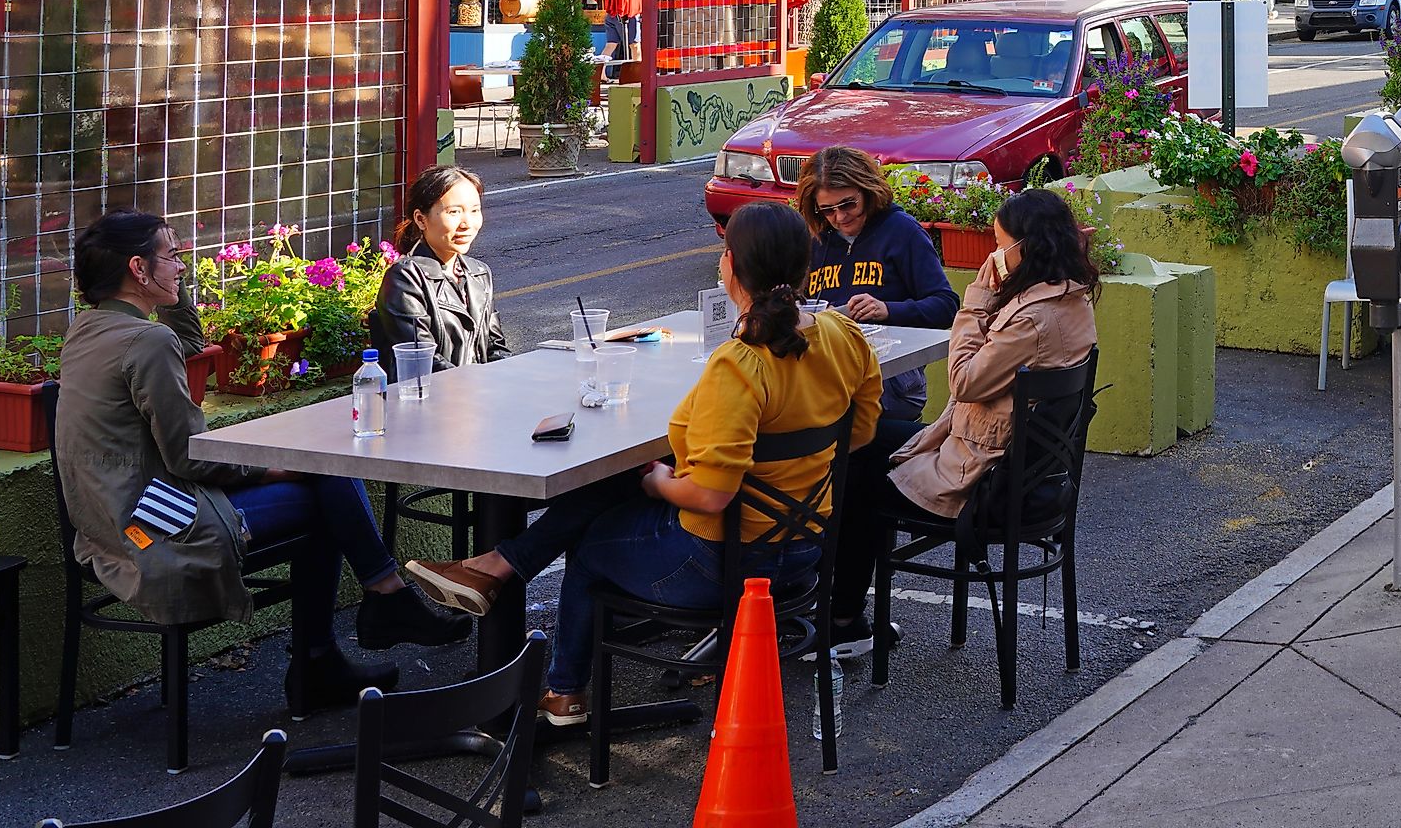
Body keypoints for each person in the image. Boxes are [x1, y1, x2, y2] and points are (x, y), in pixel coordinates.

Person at [407, 203, 880, 727]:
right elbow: (858, 434)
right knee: (617, 490)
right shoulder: (844, 336)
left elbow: (711, 496)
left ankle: (563, 692)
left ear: (730, 265)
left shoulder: (742, 363)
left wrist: (661, 485)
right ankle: (498, 568)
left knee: (590, 543)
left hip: (723, 564)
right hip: (804, 552)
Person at [56, 212, 467, 716]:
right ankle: (359, 622)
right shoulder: (145, 341)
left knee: (324, 482)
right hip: (156, 530)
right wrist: (269, 470)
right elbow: (191, 456)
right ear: (138, 269)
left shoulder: (90, 330)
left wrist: (168, 286)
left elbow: (183, 343)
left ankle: (357, 627)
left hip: (109, 522)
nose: (183, 267)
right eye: (173, 257)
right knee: (328, 482)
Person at [870, 189, 1098, 526]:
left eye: (999, 244)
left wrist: (977, 300)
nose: (995, 255)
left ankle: (838, 580)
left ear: (1025, 248)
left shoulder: (1030, 319)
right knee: (873, 437)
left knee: (855, 465)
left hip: (981, 482)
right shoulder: (1072, 298)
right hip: (1028, 474)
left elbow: (963, 383)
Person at [793, 147, 958, 423]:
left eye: (848, 204)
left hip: (891, 378)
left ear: (867, 191)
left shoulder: (902, 231)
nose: (840, 217)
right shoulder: (816, 240)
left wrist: (886, 310)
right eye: (828, 210)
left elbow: (946, 305)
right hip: (829, 368)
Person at [370, 164, 508, 371]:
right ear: (420, 219)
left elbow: (496, 348)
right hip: (432, 397)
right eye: (454, 212)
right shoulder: (406, 278)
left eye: (474, 211)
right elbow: (425, 359)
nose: (467, 223)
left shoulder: (479, 273)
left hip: (481, 393)